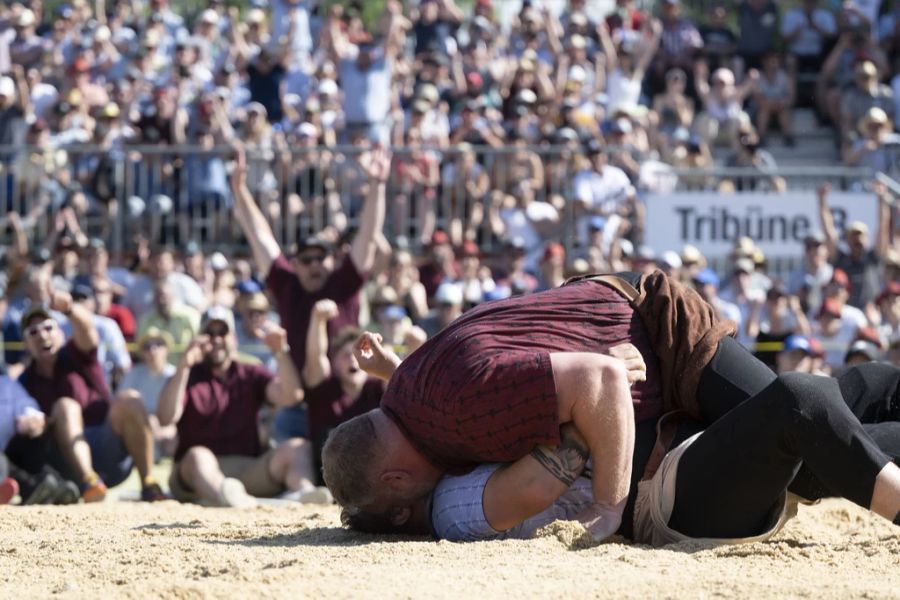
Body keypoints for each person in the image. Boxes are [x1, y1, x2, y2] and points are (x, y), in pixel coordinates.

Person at [322, 270, 786, 540]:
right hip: (637, 349)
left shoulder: (456, 415)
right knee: (798, 431)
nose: (406, 508)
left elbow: (597, 379)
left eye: (396, 503)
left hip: (659, 330)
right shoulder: (411, 391)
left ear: (395, 480)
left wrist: (609, 508)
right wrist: (394, 369)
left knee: (799, 435)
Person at [346, 363, 900, 544]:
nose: (412, 428)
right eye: (399, 436)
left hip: (683, 444)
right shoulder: (449, 507)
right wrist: (597, 389)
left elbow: (467, 410)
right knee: (801, 402)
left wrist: (396, 371)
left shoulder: (430, 476)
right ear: (398, 492)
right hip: (666, 497)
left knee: (875, 385)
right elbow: (540, 484)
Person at [157, 307, 326, 507]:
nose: (216, 339)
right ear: (199, 339)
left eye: (222, 333)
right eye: (209, 334)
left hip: (246, 469)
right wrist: (183, 366)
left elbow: (291, 396)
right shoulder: (187, 374)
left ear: (234, 339)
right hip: (195, 471)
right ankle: (225, 497)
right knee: (198, 456)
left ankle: (304, 494)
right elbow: (166, 417)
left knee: (298, 447)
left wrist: (281, 352)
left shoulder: (250, 372)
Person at [17, 292, 165, 502]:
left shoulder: (78, 354)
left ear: (60, 333)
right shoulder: (24, 382)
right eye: (33, 332)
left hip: (109, 447)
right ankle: (90, 482)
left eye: (48, 327)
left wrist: (69, 308)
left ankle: (149, 484)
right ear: (26, 343)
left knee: (130, 399)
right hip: (66, 462)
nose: (42, 335)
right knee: (66, 407)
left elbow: (87, 328)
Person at [303, 301, 385, 485]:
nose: (353, 360)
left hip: (373, 480)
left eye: (360, 355)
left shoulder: (380, 388)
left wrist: (414, 346)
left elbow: (404, 382)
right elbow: (315, 359)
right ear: (335, 363)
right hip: (326, 479)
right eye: (346, 355)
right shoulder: (323, 388)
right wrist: (317, 320)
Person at [118, 327, 178, 458]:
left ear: (166, 350)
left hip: (168, 429)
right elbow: (120, 404)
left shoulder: (175, 375)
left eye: (158, 344)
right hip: (137, 427)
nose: (153, 350)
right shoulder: (133, 374)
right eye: (147, 346)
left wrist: (165, 429)